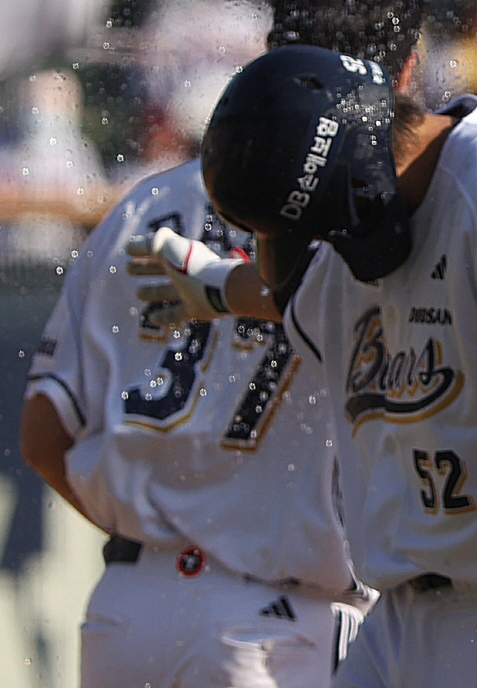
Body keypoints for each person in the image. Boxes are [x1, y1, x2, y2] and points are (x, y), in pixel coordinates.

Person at [134, 37, 477, 685]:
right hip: (395, 617)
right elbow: (296, 298)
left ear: (349, 188)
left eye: (302, 230)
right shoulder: (365, 200)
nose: (306, 249)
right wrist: (219, 287)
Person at [19, 45, 369, 688]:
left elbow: (43, 434)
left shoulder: (138, 205)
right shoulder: (348, 209)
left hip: (128, 605)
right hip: (279, 612)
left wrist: (158, 529)